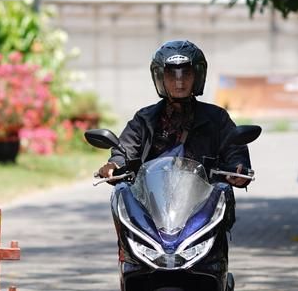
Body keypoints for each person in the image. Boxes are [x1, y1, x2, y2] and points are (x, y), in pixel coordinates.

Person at [95, 40, 251, 188]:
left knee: (225, 195)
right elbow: (125, 149)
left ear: (197, 76)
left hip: (205, 201)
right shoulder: (145, 119)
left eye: (186, 74)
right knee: (122, 195)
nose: (179, 82)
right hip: (153, 199)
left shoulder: (217, 117)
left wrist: (239, 168)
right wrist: (115, 164)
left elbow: (234, 149)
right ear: (160, 77)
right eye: (172, 75)